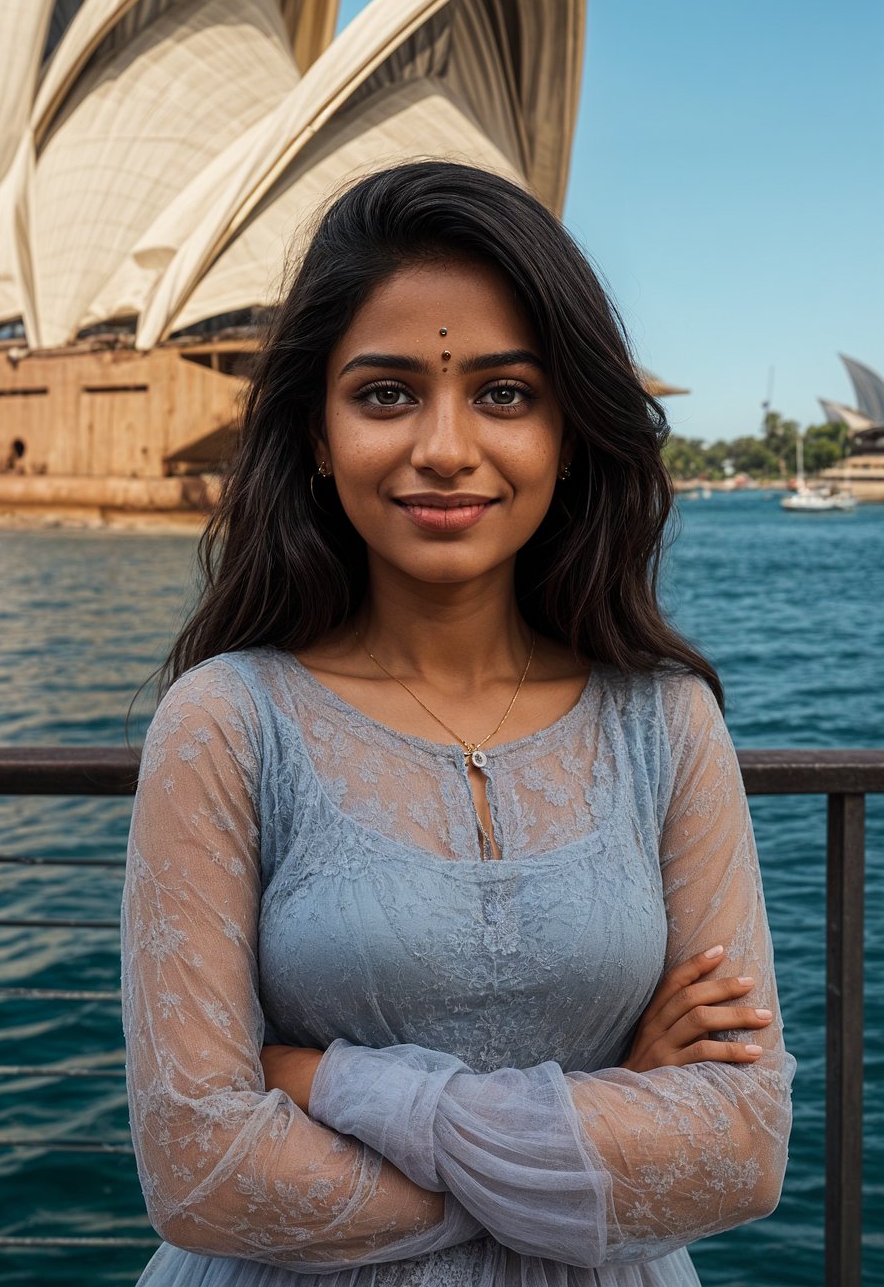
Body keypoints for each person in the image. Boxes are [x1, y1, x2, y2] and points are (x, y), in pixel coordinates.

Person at [120, 160, 795, 1286]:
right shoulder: (228, 722)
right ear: (319, 434)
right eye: (386, 393)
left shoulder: (664, 726)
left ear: (570, 431)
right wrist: (606, 1115)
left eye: (505, 393)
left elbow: (740, 1152)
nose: (443, 446)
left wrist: (332, 1084)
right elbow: (199, 1168)